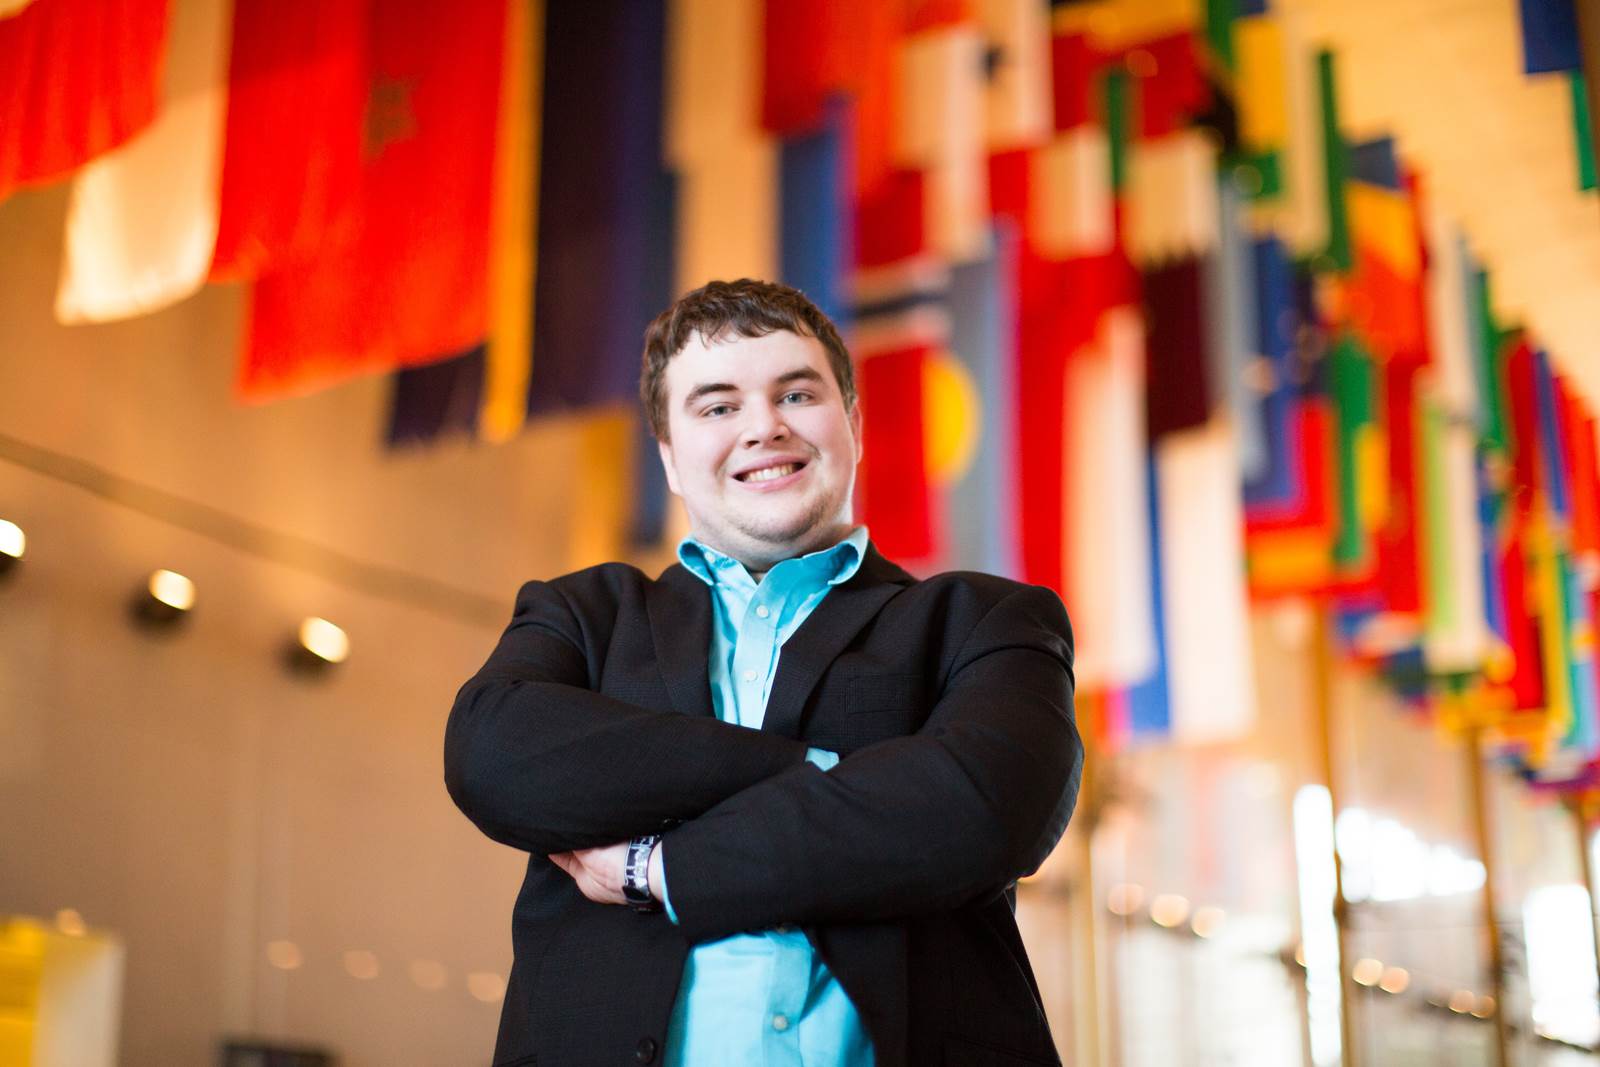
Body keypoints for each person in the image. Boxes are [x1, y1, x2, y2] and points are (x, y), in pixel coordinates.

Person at [444, 279, 1082, 1067]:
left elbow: (987, 807)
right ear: (672, 459)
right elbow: (490, 758)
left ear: (852, 422)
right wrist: (818, 772)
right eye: (717, 407)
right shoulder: (584, 616)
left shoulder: (986, 621)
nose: (764, 427)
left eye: (797, 393)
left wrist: (661, 866)